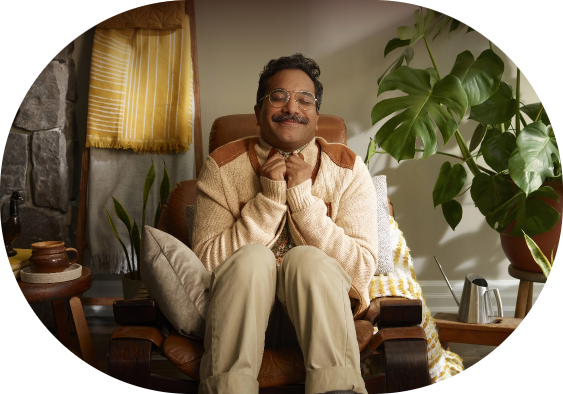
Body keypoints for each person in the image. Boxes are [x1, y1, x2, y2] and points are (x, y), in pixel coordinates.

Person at [192, 53, 378, 394]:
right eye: (278, 97)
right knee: (252, 259)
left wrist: (305, 204)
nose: (291, 107)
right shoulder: (221, 166)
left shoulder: (349, 169)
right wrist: (269, 201)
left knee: (305, 259)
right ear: (258, 112)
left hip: (323, 319)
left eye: (304, 100)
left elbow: (361, 271)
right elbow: (204, 266)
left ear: (316, 117)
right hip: (238, 319)